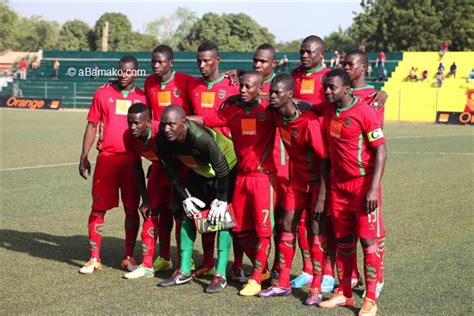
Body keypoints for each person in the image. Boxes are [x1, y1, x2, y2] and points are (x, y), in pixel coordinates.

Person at [196, 71, 276, 296]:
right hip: (241, 177)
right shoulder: (233, 110)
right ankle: (265, 270)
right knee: (239, 230)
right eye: (241, 85)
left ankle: (257, 277)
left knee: (262, 232)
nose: (242, 90)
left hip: (263, 178)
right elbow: (205, 120)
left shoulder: (269, 110)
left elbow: (298, 106)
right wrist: (179, 119)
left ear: (260, 88)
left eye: (248, 87)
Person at [319, 69, 387, 316]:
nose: (327, 91)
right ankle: (345, 293)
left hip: (362, 187)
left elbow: (381, 150)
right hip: (339, 187)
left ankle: (370, 299)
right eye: (325, 87)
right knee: (344, 242)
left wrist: (372, 189)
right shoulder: (327, 108)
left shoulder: (364, 112)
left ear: (346, 89)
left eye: (332, 88)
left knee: (368, 243)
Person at [259, 73, 329, 306]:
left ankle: (317, 287)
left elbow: (325, 160)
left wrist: (321, 197)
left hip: (317, 184)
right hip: (296, 182)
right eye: (271, 92)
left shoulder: (309, 123)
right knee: (286, 224)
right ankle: (283, 283)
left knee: (316, 230)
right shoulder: (277, 114)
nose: (272, 96)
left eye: (277, 93)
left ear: (290, 94)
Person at [156, 105, 237, 294]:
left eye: (171, 125)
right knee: (187, 213)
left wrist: (222, 200)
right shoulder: (162, 138)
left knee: (222, 219)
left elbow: (222, 168)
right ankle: (183, 271)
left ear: (183, 123)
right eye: (163, 124)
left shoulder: (201, 138)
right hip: (200, 172)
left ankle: (221, 275)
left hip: (226, 168)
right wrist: (185, 197)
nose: (166, 129)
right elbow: (170, 171)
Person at [78, 55, 146, 274]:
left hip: (132, 161)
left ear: (136, 72)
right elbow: (92, 125)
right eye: (120, 70)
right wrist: (84, 155)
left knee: (131, 209)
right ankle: (94, 257)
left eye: (128, 71)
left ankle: (128, 256)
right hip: (106, 158)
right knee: (98, 208)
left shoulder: (142, 97)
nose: (123, 75)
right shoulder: (103, 92)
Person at [187, 41, 239, 278]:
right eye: (199, 60)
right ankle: (208, 262)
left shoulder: (232, 84)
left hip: (228, 158)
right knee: (206, 213)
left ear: (218, 61)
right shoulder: (193, 86)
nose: (202, 65)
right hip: (203, 161)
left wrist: (243, 73)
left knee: (227, 216)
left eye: (207, 60)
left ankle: (233, 266)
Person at [144, 44, 196, 273]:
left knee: (181, 209)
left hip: (183, 157)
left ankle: (187, 259)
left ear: (170, 63)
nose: (156, 65)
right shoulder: (148, 83)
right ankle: (163, 257)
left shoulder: (186, 81)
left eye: (160, 61)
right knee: (159, 208)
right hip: (160, 157)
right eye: (153, 61)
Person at [122, 103, 173, 279]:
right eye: (129, 122)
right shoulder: (128, 137)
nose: (132, 127)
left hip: (178, 171)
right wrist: (145, 199)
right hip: (159, 170)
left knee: (177, 215)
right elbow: (136, 168)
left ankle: (183, 263)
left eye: (137, 123)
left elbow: (178, 159)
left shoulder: (162, 132)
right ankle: (148, 264)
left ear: (149, 122)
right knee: (150, 214)